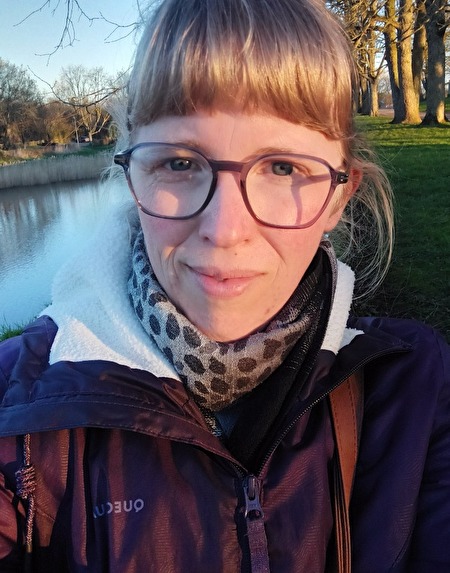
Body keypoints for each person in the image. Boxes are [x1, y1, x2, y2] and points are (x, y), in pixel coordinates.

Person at [0, 0, 449, 571]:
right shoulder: (20, 413)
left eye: (282, 167)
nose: (225, 230)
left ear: (339, 194)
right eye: (180, 164)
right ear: (132, 174)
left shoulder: (415, 394)